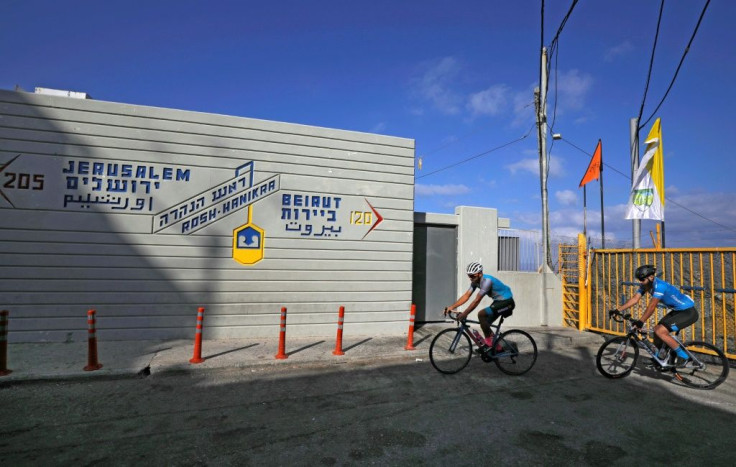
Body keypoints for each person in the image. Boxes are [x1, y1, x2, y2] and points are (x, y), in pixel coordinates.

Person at [615, 264, 699, 368]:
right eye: (639, 280)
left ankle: (684, 356)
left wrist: (641, 321)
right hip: (678, 311)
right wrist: (617, 310)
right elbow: (635, 299)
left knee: (661, 331)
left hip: (688, 312)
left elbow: (652, 306)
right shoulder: (646, 285)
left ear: (651, 277)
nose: (640, 282)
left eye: (642, 279)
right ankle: (659, 358)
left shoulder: (660, 286)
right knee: (656, 330)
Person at [444, 261, 515, 349]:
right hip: (498, 302)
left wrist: (465, 314)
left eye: (472, 276)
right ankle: (495, 347)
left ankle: (490, 344)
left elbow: (477, 300)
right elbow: (466, 296)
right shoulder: (475, 282)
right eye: (469, 276)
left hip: (507, 302)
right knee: (485, 324)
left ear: (480, 273)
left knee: (481, 314)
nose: (470, 278)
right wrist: (452, 307)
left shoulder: (487, 281)